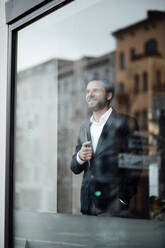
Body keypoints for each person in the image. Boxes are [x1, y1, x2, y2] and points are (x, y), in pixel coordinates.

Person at [70, 80, 142, 217]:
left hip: (114, 210)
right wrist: (79, 157)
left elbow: (135, 166)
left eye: (95, 90)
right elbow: (75, 168)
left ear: (109, 95)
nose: (90, 94)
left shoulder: (126, 123)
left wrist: (121, 201)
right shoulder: (84, 127)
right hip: (87, 208)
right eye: (87, 91)